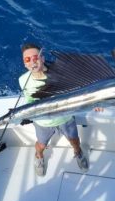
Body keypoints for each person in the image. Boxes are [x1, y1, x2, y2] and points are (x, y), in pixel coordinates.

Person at [19, 43, 89, 176]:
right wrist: (29, 115)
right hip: (43, 123)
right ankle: (39, 157)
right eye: (27, 60)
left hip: (66, 118)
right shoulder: (22, 80)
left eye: (35, 57)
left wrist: (95, 102)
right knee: (41, 145)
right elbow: (29, 101)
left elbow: (79, 92)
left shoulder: (60, 75)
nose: (32, 62)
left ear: (42, 59)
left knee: (74, 141)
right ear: (24, 64)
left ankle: (78, 153)